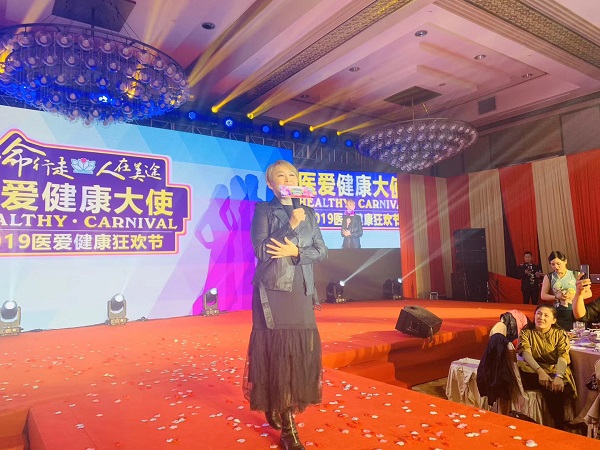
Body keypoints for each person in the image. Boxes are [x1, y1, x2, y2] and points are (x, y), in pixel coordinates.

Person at [243, 160, 328, 450]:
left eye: (292, 174)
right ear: (271, 184)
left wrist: (297, 252)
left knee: (298, 353)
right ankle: (289, 430)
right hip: (273, 290)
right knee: (278, 354)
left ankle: (277, 404)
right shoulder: (264, 210)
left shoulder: (309, 212)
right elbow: (260, 250)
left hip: (302, 290)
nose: (288, 178)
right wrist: (289, 226)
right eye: (281, 175)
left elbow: (321, 250)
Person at [517, 304, 577, 429]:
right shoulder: (526, 332)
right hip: (532, 370)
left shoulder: (559, 334)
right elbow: (526, 354)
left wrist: (559, 376)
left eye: (546, 315)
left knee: (554, 385)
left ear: (553, 320)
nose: (541, 317)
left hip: (553, 370)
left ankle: (557, 427)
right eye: (538, 314)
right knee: (550, 386)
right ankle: (559, 426)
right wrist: (540, 372)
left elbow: (563, 356)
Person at [540, 250, 578, 330]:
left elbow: (588, 293)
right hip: (558, 311)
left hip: (576, 310)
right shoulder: (549, 277)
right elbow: (543, 295)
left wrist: (574, 296)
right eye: (552, 264)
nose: (556, 267)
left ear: (565, 261)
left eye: (558, 263)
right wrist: (556, 297)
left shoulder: (575, 274)